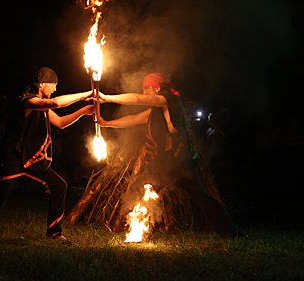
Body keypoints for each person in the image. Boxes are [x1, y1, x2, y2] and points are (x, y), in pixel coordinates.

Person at [0, 67, 95, 240]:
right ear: (42, 84)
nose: (55, 89)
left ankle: (55, 232)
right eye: (53, 85)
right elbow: (56, 103)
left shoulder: (42, 106)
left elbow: (61, 122)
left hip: (33, 158)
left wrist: (84, 111)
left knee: (59, 185)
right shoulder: (28, 101)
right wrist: (84, 95)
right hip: (14, 158)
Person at [97, 72, 247, 239]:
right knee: (203, 198)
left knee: (140, 187)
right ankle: (234, 234)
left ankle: (137, 233)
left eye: (146, 88)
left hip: (175, 159)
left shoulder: (167, 98)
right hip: (184, 160)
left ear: (157, 88)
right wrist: (106, 124)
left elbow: (138, 99)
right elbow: (134, 119)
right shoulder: (158, 107)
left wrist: (107, 98)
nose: (144, 92)